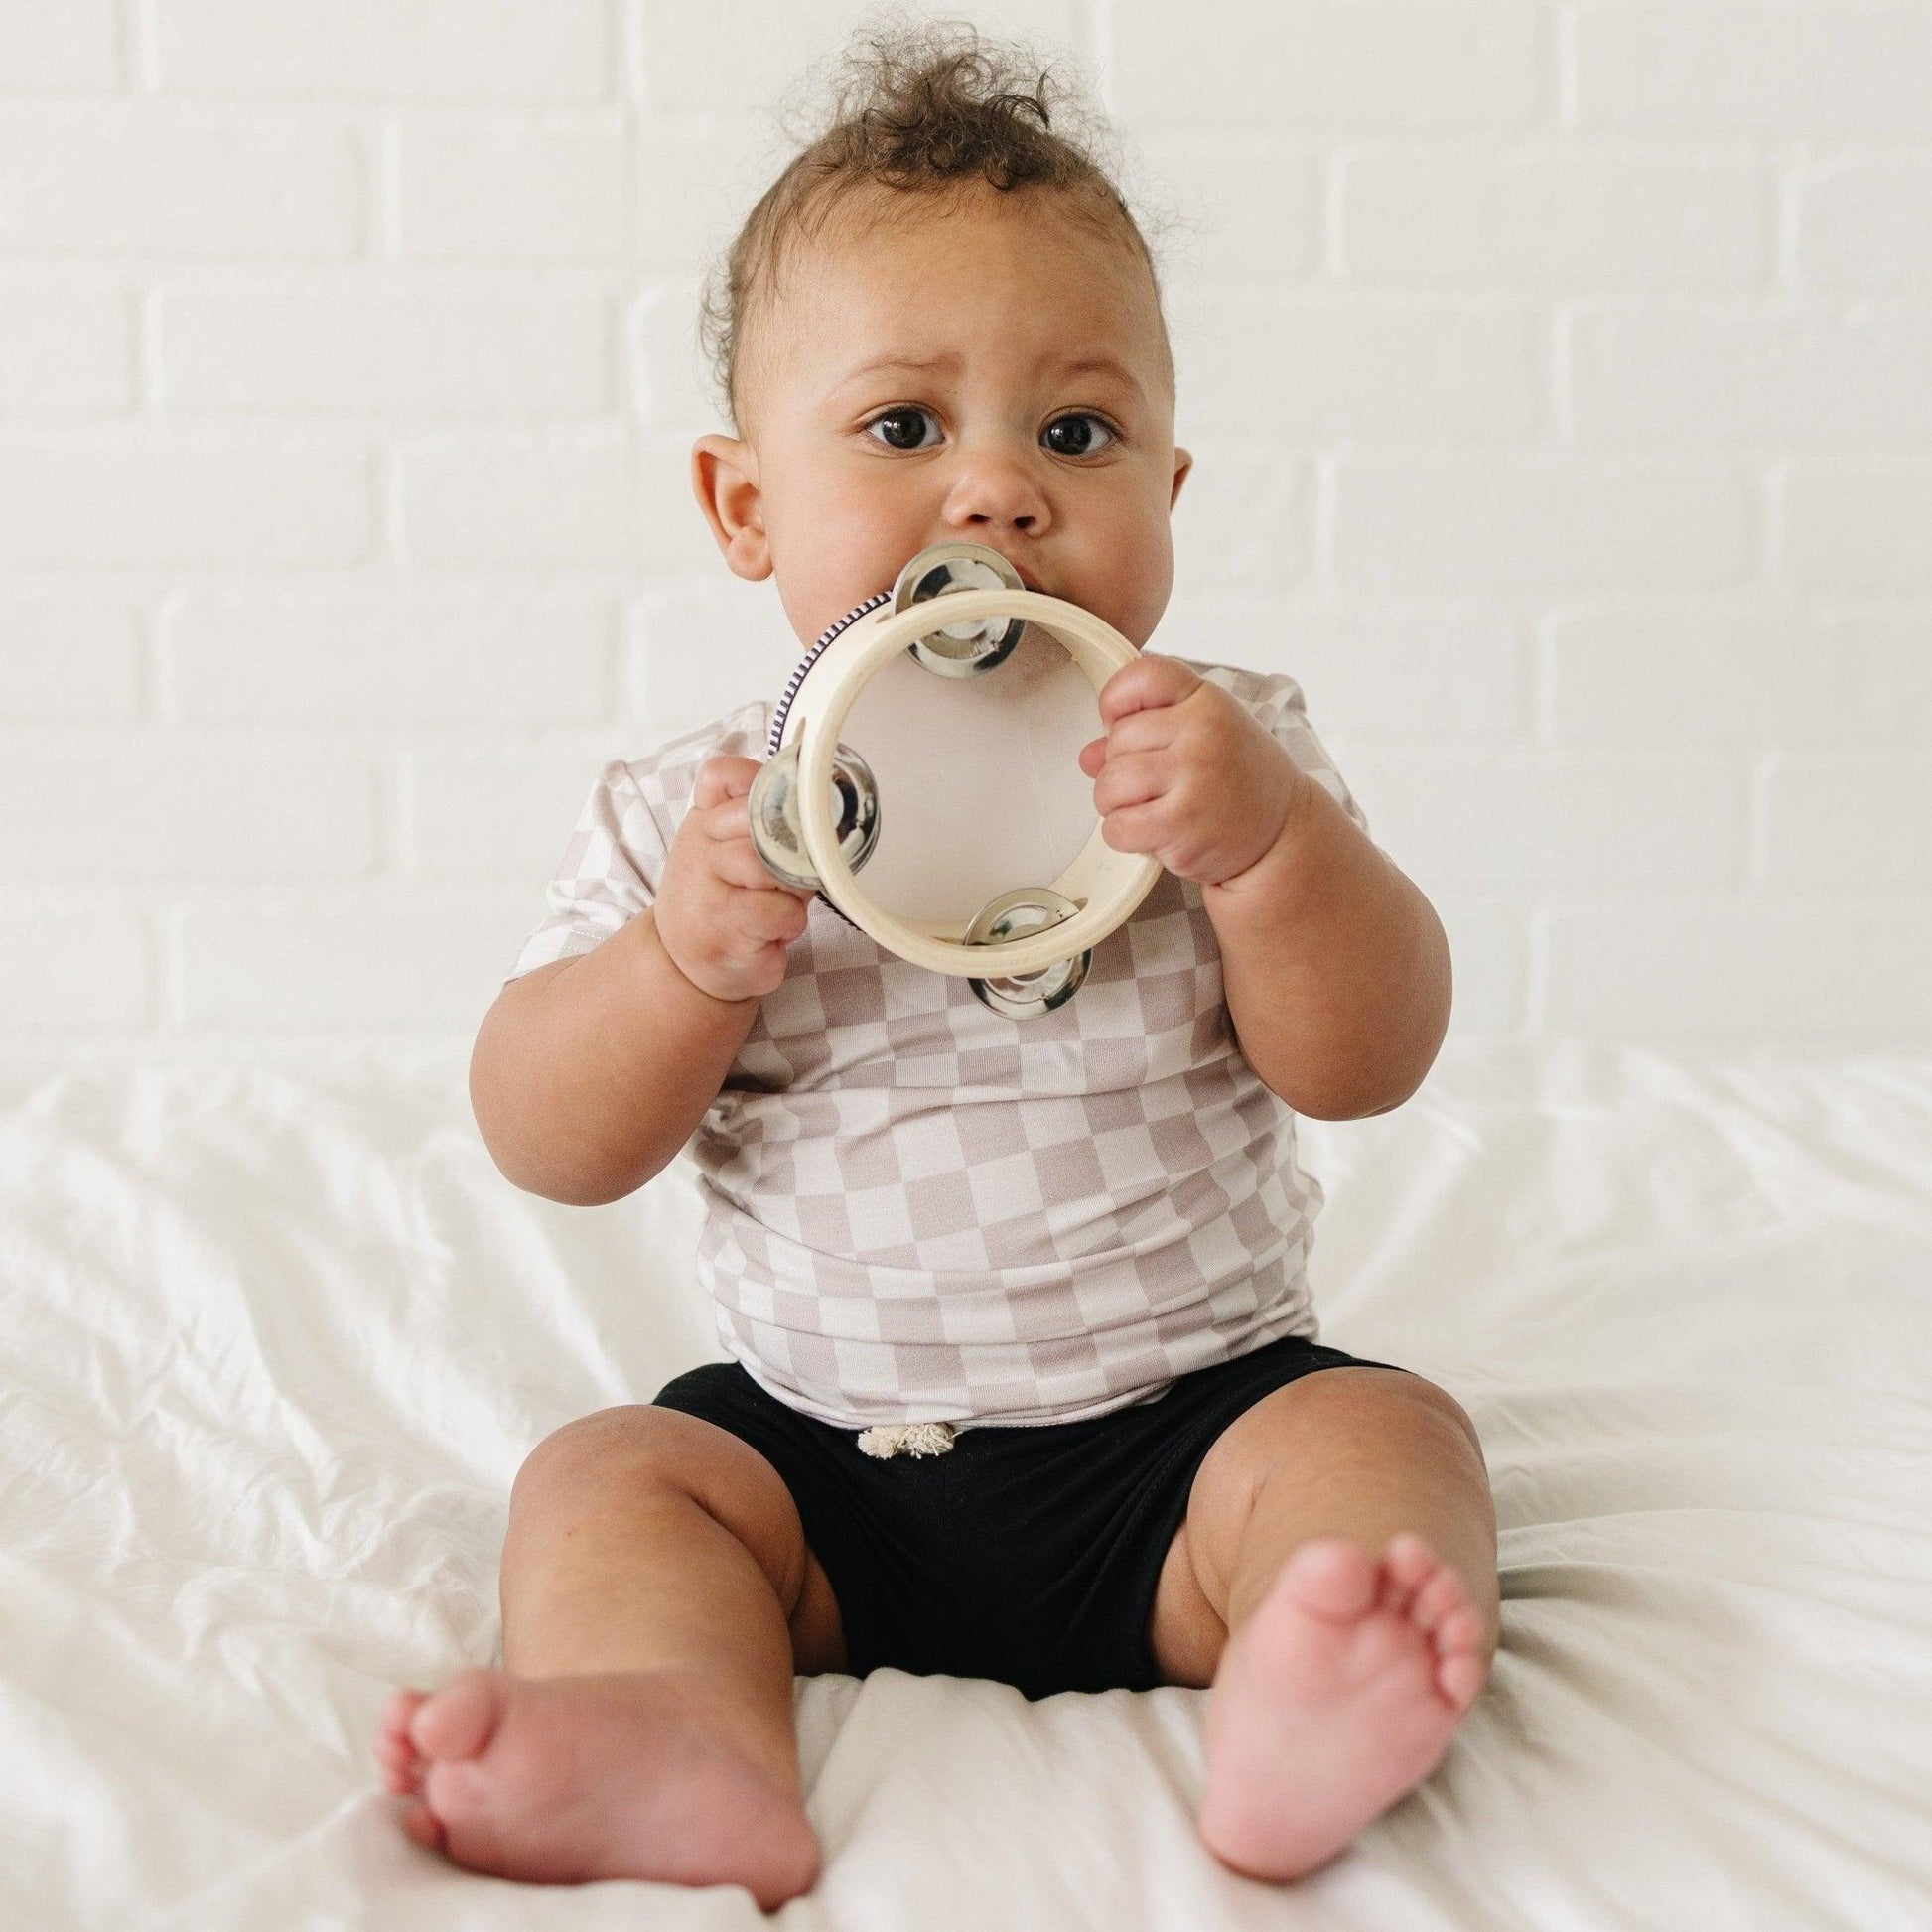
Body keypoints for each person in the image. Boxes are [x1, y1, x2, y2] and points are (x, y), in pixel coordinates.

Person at [373, 21, 1498, 1908]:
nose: (994, 491)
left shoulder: (1226, 749)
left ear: (1168, 478)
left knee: (1385, 1436)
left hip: (1186, 1439)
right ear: (745, 505)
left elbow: (1365, 1060)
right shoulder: (697, 814)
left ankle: (1306, 1687)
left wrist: (1275, 852)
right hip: (825, 1468)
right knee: (607, 1477)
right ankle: (677, 1735)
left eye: (1075, 432)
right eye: (903, 428)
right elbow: (544, 1137)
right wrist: (680, 967)